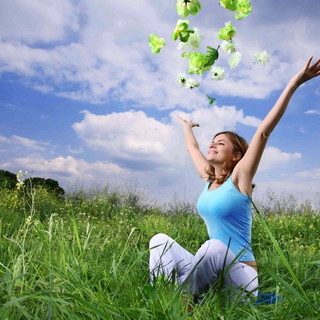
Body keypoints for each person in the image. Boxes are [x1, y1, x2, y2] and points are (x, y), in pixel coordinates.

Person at [149, 57, 320, 301]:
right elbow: (192, 149)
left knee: (214, 246)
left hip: (241, 279)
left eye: (221, 143)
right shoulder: (208, 177)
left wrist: (294, 83)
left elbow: (263, 132)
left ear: (236, 155)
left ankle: (185, 297)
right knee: (159, 240)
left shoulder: (240, 178)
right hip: (213, 271)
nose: (213, 144)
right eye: (212, 141)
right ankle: (162, 297)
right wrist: (187, 127)